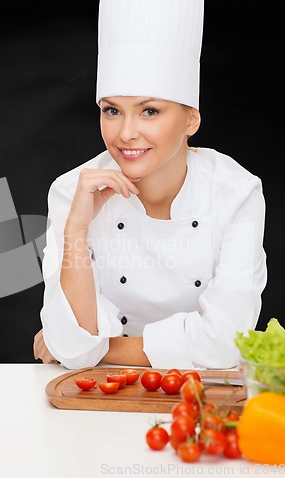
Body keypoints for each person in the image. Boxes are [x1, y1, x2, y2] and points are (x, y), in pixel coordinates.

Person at [33, 0, 267, 370]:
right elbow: (75, 350)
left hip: (197, 403)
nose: (126, 133)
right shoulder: (73, 190)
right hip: (97, 405)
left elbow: (225, 346)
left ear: (191, 120)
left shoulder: (236, 193)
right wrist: (76, 230)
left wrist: (100, 349)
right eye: (112, 110)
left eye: (150, 111)